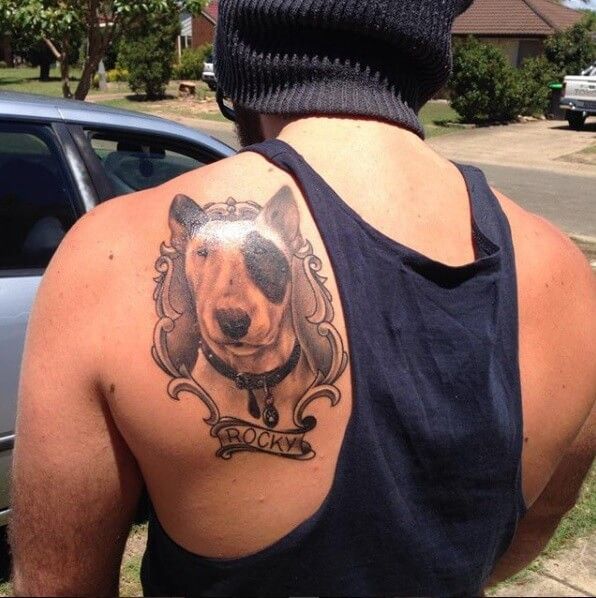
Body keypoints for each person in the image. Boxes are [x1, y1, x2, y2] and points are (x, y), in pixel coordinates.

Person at [10, 0, 595, 595]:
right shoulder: (567, 279)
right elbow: (523, 535)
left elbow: (56, 586)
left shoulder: (109, 257)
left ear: (242, 54)